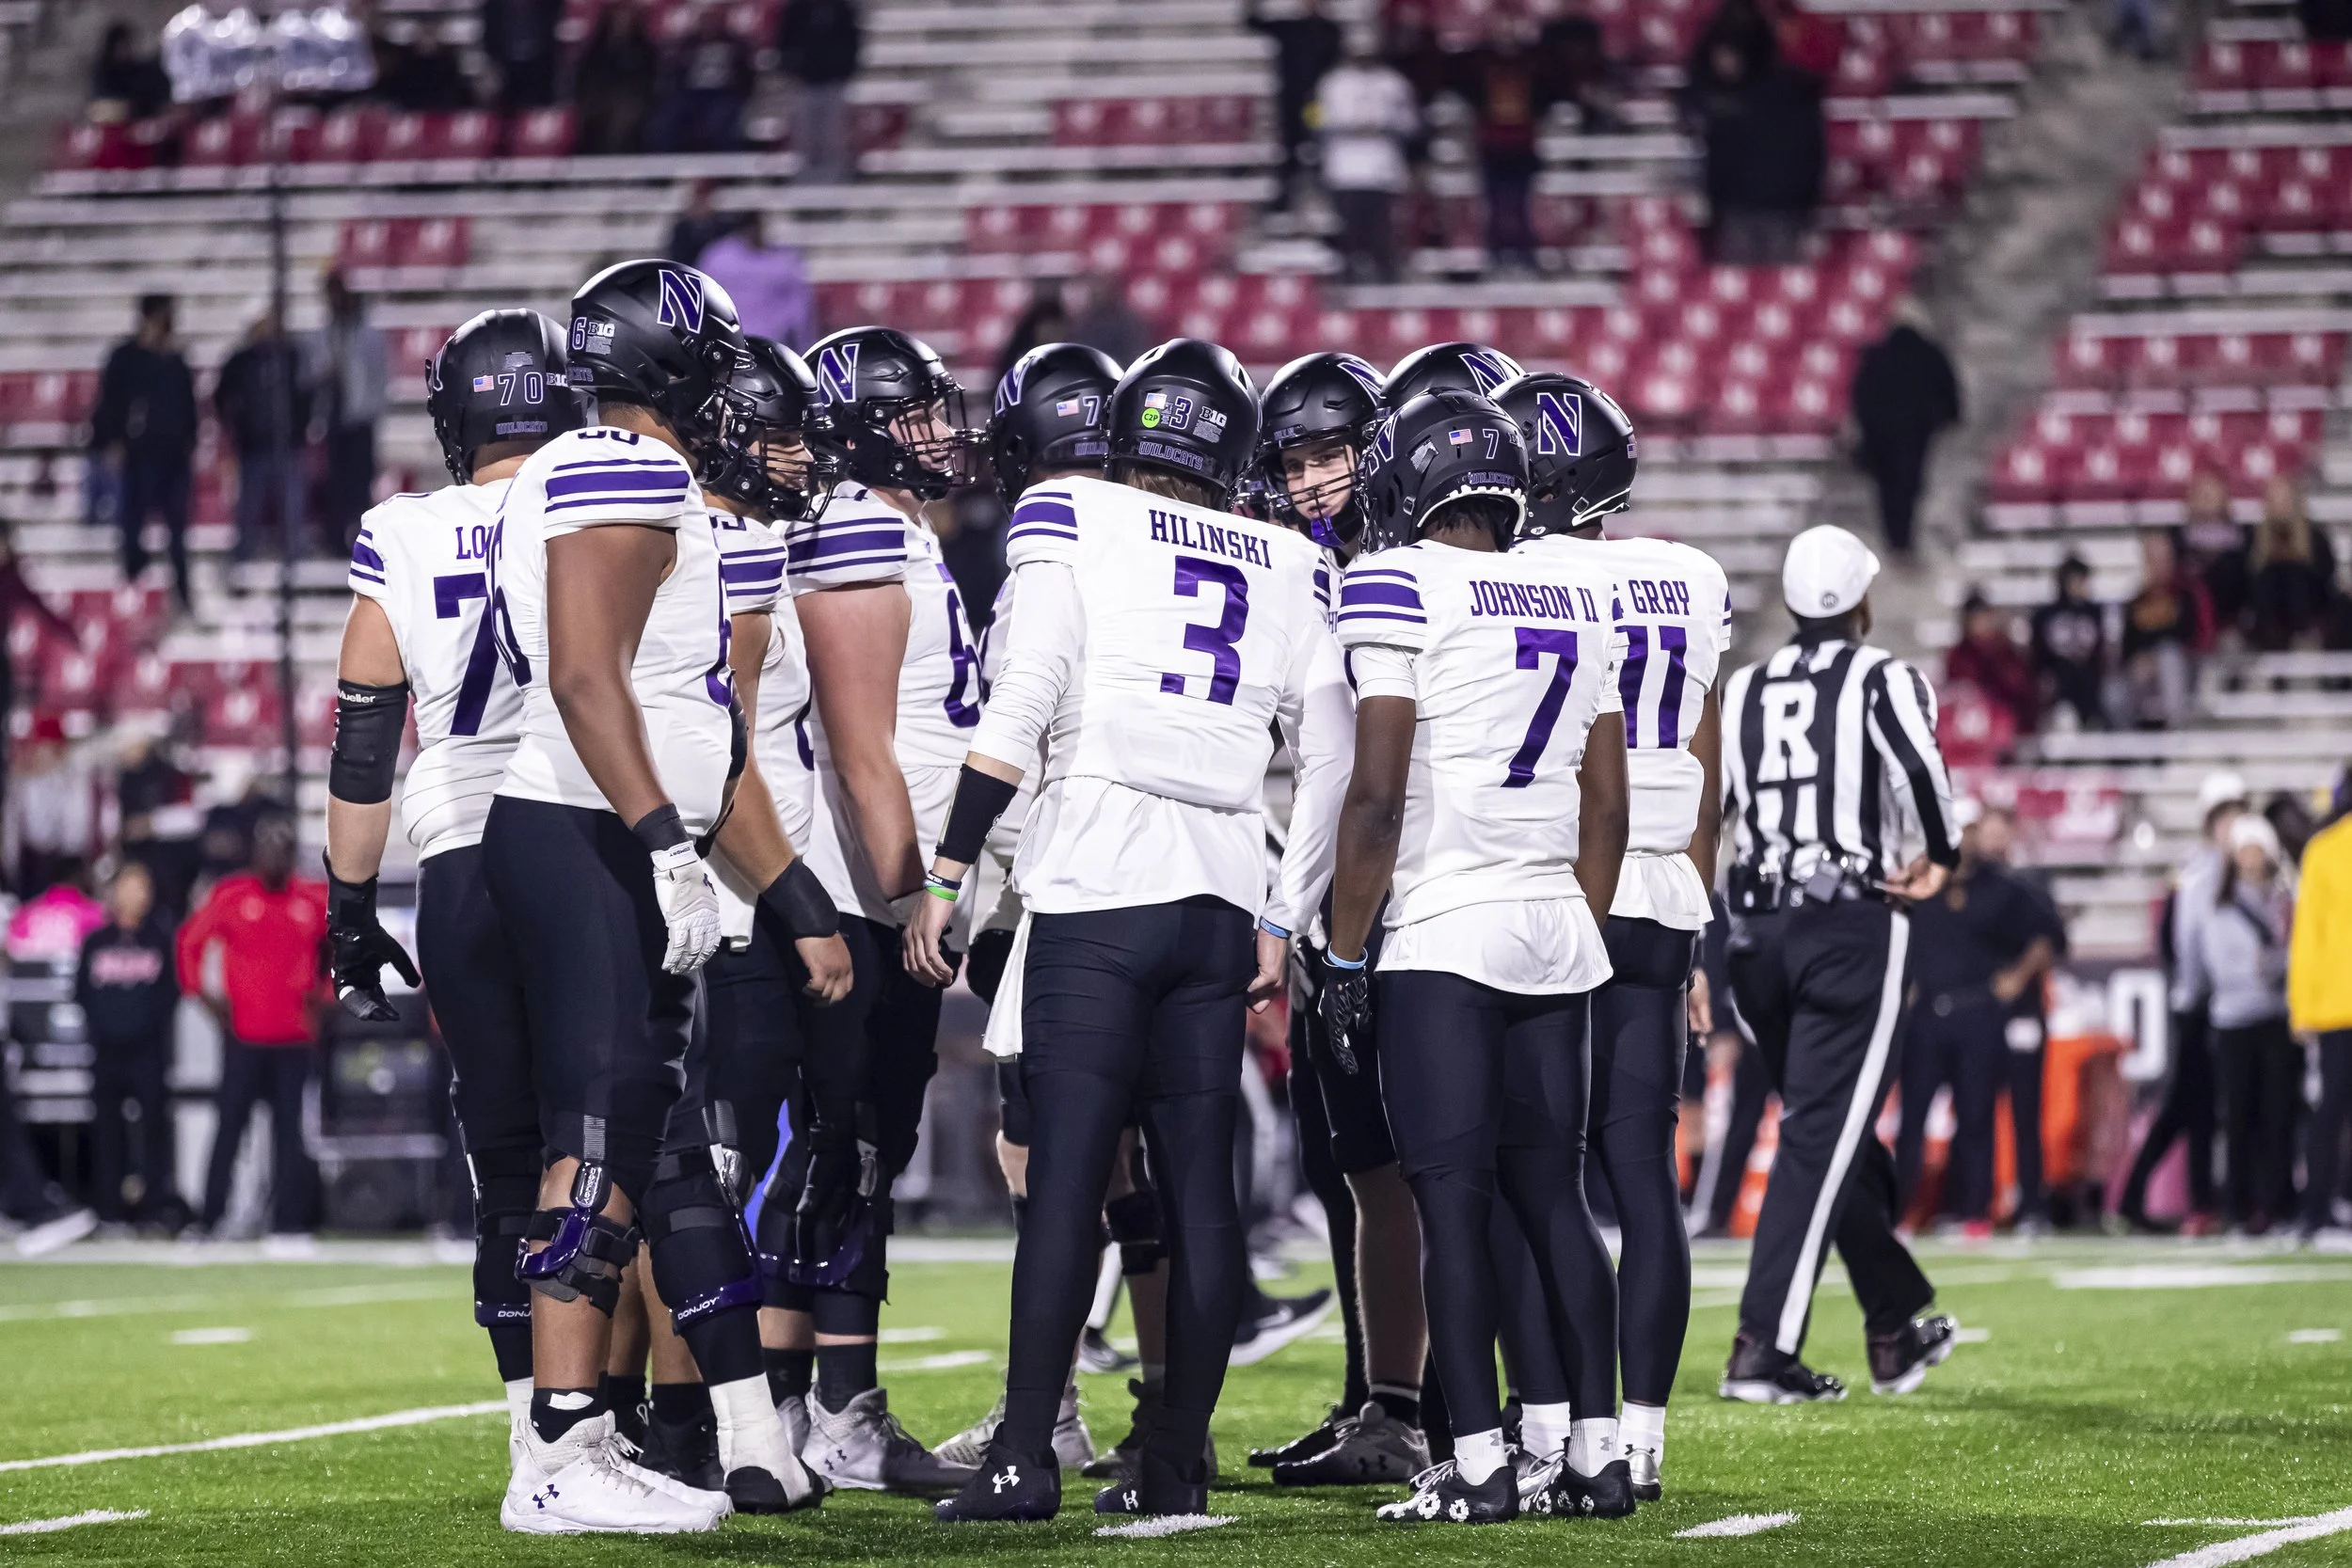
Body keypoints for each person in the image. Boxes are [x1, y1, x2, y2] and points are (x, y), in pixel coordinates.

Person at [913, 339, 1351, 1523]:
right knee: (1200, 1194)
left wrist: (948, 868)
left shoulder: (1072, 514)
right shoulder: (1293, 560)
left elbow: (1025, 695)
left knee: (1065, 1183)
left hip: (1097, 874)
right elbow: (1330, 757)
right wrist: (1284, 913)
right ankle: (1174, 1459)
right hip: (1218, 884)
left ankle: (1024, 1456)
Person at [480, 261, 827, 1530]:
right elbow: (585, 675)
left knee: (613, 1126)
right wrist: (669, 842)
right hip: (589, 828)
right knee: (600, 1127)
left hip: (582, 823)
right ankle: (564, 1448)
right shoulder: (632, 466)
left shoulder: (588, 464)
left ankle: (578, 1433)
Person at [1313, 386, 1627, 1524]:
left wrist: (1345, 950)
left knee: (1452, 1200)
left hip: (1448, 923)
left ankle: (1485, 1464)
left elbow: (1378, 796)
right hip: (1554, 922)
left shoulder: (1394, 579)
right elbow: (1606, 807)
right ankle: (1598, 1455)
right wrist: (1575, 918)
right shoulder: (1572, 589)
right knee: (1556, 1199)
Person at [324, 309, 585, 1453]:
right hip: (584, 827)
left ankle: (537, 1427)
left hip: (463, 843)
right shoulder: (600, 495)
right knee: (619, 1135)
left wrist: (346, 903)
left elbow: (364, 743)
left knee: (505, 1152)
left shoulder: (405, 527)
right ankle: (652, 1417)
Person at [753, 325, 986, 1496]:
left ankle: (803, 1409)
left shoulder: (891, 527)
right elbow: (862, 750)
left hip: (869, 886)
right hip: (856, 890)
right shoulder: (855, 525)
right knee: (842, 1150)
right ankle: (827, 1411)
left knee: (853, 1153)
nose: (938, 431)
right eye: (912, 413)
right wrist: (912, 893)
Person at [1493, 368, 1722, 1504]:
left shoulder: (1514, 572)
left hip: (1558, 879)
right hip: (1664, 891)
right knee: (1640, 1172)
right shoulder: (1690, 573)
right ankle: (1640, 1434)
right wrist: (1697, 900)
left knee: (1533, 1173)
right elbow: (1704, 756)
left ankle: (1553, 1428)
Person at [1719, 524, 1961, 1404]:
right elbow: (1923, 777)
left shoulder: (1743, 688)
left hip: (1753, 934)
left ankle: (1895, 1317)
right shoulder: (1886, 678)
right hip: (1850, 923)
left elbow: (1716, 809)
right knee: (1823, 1135)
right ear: (1862, 601)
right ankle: (1762, 1346)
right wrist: (1944, 854)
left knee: (1830, 1130)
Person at [1246, 352, 1432, 1490]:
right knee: (1347, 1163)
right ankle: (1385, 1399)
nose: (1315, 480)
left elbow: (1375, 781)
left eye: (1333, 454)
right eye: (1298, 460)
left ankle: (1460, 1408)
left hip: (1409, 905)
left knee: (1427, 1166)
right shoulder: (1321, 568)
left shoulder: (1411, 570)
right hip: (1338, 903)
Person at [686, 336, 863, 1480]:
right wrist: (797, 894)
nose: (803, 458)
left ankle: (686, 1417)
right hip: (726, 897)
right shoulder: (731, 546)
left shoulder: (698, 535)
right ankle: (708, 1421)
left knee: (713, 1164)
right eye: (783, 432)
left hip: (710, 889)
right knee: (712, 1167)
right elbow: (725, 753)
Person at [1892, 801, 2062, 1236]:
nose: (1960, 840)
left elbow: (2050, 936)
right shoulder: (1918, 882)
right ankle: (1900, 1215)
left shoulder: (2006, 888)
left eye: (1966, 830)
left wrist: (2020, 975)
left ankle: (1974, 1213)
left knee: (1976, 1116)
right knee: (1912, 1120)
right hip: (1926, 1016)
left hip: (1977, 1014)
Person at [179, 811, 326, 1241]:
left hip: (295, 1037)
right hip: (243, 1035)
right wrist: (203, 999)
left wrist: (328, 997)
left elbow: (342, 947)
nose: (274, 856)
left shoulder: (313, 897)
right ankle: (210, 1218)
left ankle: (288, 1222)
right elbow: (189, 942)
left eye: (281, 848)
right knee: (229, 1127)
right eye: (267, 848)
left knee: (288, 1131)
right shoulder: (231, 894)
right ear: (255, 853)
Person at [2116, 768, 2245, 1234]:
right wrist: (2197, 995)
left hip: (2207, 1003)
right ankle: (2197, 1203)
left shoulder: (2222, 870)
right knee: (2195, 1108)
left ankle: (2142, 1198)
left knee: (2189, 1109)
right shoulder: (2199, 873)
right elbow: (2187, 945)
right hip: (2200, 1006)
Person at [2185, 814, 2299, 1232]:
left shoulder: (2284, 898)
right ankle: (2237, 1203)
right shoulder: (2220, 903)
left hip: (2276, 1017)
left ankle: (2277, 1203)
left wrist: (2277, 967)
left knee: (2277, 1114)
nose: (2251, 858)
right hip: (2234, 1018)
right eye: (2245, 850)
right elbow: (2219, 963)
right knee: (2237, 1116)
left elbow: (2297, 951)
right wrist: (2265, 969)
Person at [76, 861, 183, 1228]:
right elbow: (82, 993)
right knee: (106, 1131)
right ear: (115, 891)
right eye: (130, 885)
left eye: (143, 886)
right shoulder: (96, 941)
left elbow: (170, 992)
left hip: (147, 1051)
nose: (138, 894)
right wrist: (107, 1028)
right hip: (107, 1051)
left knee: (154, 1129)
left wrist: (143, 1027)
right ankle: (108, 1211)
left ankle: (154, 1210)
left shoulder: (158, 939)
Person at [92, 293, 198, 611]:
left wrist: (189, 441)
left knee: (177, 529)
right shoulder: (125, 358)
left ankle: (182, 594)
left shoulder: (176, 361)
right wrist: (111, 441)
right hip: (139, 454)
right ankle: (134, 592)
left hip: (174, 456)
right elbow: (108, 403)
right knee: (132, 524)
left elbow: (188, 407)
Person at [2291, 775, 2352, 1242]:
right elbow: (2309, 935)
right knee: (2329, 1111)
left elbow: (2307, 937)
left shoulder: (2324, 849)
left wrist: (2302, 1006)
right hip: (2337, 1005)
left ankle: (2316, 1211)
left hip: (2335, 1004)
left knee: (2329, 1111)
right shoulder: (2326, 850)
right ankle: (2317, 1209)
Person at [1850, 301, 1960, 558]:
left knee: (1886, 489)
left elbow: (1860, 395)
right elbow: (1949, 390)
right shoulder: (1930, 353)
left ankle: (1895, 541)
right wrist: (1947, 417)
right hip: (1916, 433)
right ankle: (1904, 541)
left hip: (1879, 435)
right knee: (1909, 485)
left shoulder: (1875, 355)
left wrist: (1865, 427)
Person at [214, 308, 312, 563]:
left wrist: (299, 427)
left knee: (292, 507)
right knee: (248, 509)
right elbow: (221, 397)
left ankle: (294, 560)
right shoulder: (240, 361)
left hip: (287, 445)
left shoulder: (292, 356)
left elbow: (306, 394)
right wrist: (237, 425)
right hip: (253, 447)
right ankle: (242, 560)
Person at [1317, 34, 1418, 283]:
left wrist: (1385, 127)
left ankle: (1385, 271)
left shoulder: (1393, 83)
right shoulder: (1332, 83)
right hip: (1345, 165)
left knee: (1381, 223)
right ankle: (1350, 270)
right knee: (1349, 223)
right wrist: (1343, 127)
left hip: (1381, 163)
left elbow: (1410, 121)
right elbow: (1316, 118)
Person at [309, 272, 390, 550]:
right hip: (334, 417)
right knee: (335, 481)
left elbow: (378, 375)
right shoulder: (325, 334)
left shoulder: (366, 335)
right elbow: (313, 371)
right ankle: (335, 539)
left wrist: (372, 409)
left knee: (360, 480)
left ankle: (361, 536)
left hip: (360, 417)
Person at [1246, 0, 1343, 211]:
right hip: (1291, 100)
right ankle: (1284, 198)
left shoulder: (1331, 30)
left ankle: (1324, 195)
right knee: (1289, 147)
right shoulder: (1289, 27)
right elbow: (1253, 22)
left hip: (1317, 102)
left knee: (1317, 143)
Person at [2120, 527, 2213, 728]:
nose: (2158, 566)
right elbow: (2127, 647)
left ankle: (2176, 727)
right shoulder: (2135, 602)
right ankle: (2134, 739)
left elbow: (2196, 637)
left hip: (2186, 667)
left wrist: (2157, 654)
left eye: (2163, 559)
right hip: (2144, 676)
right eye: (2152, 559)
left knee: (2168, 655)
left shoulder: (2188, 594)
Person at [2244, 474, 2340, 652]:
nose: (2280, 506)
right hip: (2267, 621)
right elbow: (2247, 582)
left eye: (2285, 499)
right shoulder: (2253, 538)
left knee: (2295, 573)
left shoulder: (2316, 538)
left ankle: (2303, 635)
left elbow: (2326, 578)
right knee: (2270, 575)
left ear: (2296, 502)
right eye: (2274, 500)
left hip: (2307, 613)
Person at [776, 0, 863, 185]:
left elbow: (852, 41)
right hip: (803, 84)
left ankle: (834, 185)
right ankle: (805, 184)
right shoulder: (796, 9)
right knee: (804, 139)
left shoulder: (841, 8)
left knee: (834, 139)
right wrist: (792, 68)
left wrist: (844, 70)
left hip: (834, 84)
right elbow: (784, 41)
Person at [693, 214, 814, 347]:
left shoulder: (781, 262)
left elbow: (799, 306)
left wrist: (802, 341)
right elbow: (701, 294)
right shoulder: (718, 258)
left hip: (771, 338)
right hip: (730, 336)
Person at [648, 8, 755, 155]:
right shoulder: (688, 45)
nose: (710, 25)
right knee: (664, 124)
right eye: (707, 20)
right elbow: (676, 73)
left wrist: (741, 94)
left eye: (714, 20)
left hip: (724, 94)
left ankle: (723, 172)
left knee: (719, 124)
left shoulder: (736, 45)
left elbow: (747, 75)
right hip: (690, 94)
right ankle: (662, 170)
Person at [1944, 592, 2037, 748]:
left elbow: (2019, 686)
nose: (1979, 624)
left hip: (2004, 721)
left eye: (1982, 618)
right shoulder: (1958, 655)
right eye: (1974, 619)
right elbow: (1955, 690)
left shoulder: (2004, 651)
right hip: (1972, 722)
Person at [2028, 556, 2108, 731]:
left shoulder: (2095, 612)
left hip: (2090, 683)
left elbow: (2101, 654)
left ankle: (2092, 719)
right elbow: (2038, 656)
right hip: (2059, 681)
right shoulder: (2044, 616)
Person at [479, 0, 563, 109]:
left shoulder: (546, 5)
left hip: (540, 70)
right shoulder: (493, 6)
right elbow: (489, 42)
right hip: (506, 71)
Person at [90, 21, 172, 119]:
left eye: (127, 45)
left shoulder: (140, 72)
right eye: (121, 47)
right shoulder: (104, 73)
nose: (124, 51)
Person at [1070, 275, 1151, 368]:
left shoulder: (1129, 322)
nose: (1098, 293)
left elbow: (1134, 355)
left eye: (1101, 289)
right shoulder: (1085, 321)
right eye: (1095, 289)